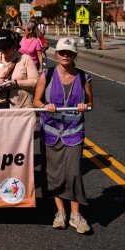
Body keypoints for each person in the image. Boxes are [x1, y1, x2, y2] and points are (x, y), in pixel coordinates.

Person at [33, 37, 93, 234]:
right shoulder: (47, 75)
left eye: (69, 53)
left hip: (74, 132)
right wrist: (44, 106)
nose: (65, 56)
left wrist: (85, 105)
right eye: (62, 53)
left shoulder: (84, 77)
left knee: (74, 172)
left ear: (75, 55)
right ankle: (61, 212)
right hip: (50, 132)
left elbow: (91, 102)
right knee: (54, 174)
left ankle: (76, 215)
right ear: (56, 54)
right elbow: (36, 101)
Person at [0, 30, 39, 109]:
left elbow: (35, 82)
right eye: (2, 49)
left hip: (21, 107)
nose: (5, 51)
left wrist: (15, 83)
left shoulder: (26, 59)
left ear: (14, 45)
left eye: (7, 48)